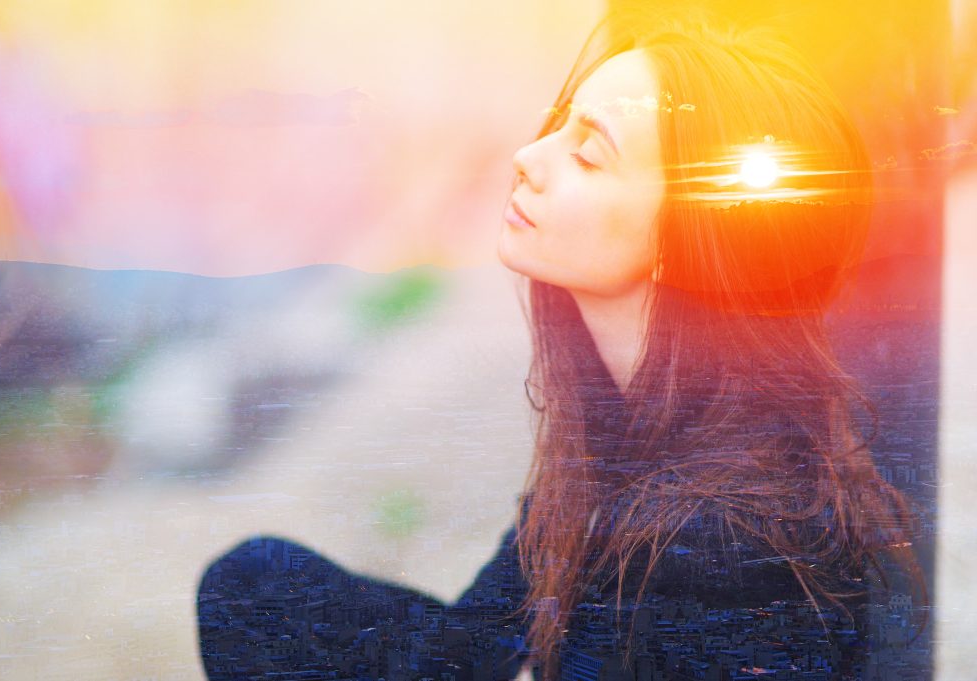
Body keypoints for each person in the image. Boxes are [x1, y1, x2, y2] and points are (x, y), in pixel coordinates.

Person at [198, 6, 930, 680]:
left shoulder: (722, 548)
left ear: (689, 236)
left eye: (587, 155)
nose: (528, 155)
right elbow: (477, 645)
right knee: (257, 588)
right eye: (560, 126)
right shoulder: (627, 439)